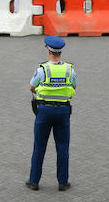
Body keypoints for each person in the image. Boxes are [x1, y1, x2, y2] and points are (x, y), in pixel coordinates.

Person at [26, 35, 76, 192]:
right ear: (60, 52)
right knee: (62, 147)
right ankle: (63, 182)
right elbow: (74, 87)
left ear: (49, 51)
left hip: (44, 111)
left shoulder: (43, 69)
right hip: (63, 111)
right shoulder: (69, 69)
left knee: (39, 147)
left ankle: (34, 181)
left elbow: (31, 87)